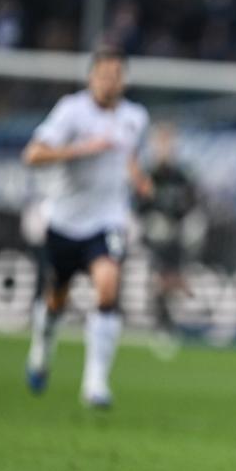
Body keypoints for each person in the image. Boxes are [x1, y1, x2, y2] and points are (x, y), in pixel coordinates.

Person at [23, 48, 150, 408]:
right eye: (104, 74)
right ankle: (41, 351)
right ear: (91, 77)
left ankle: (95, 383)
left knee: (108, 288)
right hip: (65, 221)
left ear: (124, 78)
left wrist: (139, 179)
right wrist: (79, 150)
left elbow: (129, 158)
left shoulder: (135, 117)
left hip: (107, 219)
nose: (110, 81)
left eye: (116, 75)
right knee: (55, 298)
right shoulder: (71, 111)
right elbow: (32, 155)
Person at [136, 122, 196, 351]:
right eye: (160, 143)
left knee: (173, 281)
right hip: (153, 234)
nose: (164, 148)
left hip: (176, 235)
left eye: (168, 143)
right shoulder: (148, 174)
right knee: (160, 279)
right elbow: (139, 205)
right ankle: (162, 324)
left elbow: (190, 203)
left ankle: (167, 321)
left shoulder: (181, 176)